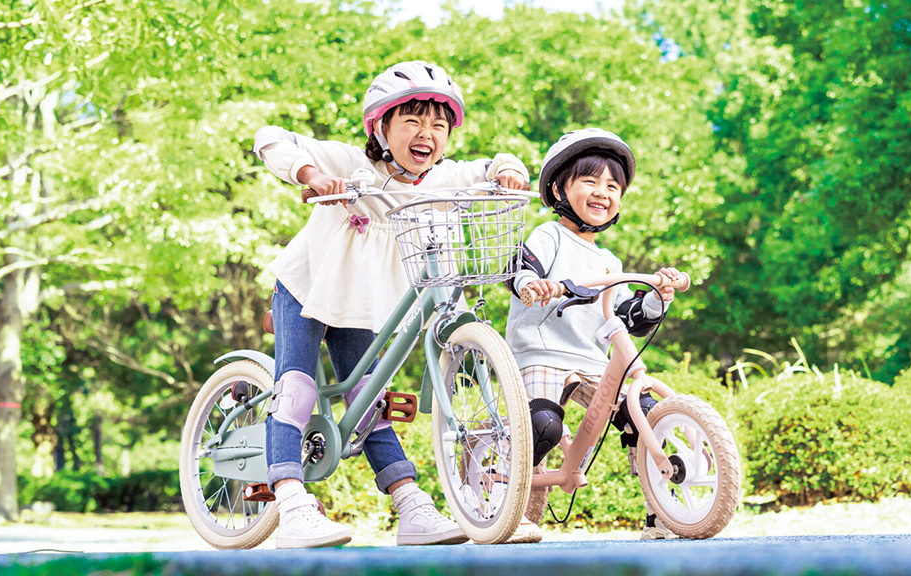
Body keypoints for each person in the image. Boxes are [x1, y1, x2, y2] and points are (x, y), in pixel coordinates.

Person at [253, 61, 530, 548]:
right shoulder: (350, 165)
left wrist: (507, 171)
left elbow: (494, 163)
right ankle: (292, 502)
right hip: (309, 287)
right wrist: (313, 175)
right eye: (412, 121)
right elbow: (270, 138)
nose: (427, 134)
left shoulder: (445, 179)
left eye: (438, 125)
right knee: (295, 387)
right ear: (381, 128)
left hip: (363, 304)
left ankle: (411, 505)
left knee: (370, 401)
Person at [503, 128, 682, 542]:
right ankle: (509, 506)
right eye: (590, 181)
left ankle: (662, 513)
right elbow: (521, 267)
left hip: (591, 360)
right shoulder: (548, 236)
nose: (603, 192)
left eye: (612, 185)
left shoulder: (609, 259)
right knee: (543, 425)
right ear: (558, 189)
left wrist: (658, 297)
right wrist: (533, 284)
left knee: (646, 416)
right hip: (542, 353)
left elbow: (624, 316)